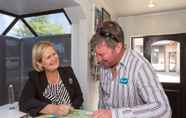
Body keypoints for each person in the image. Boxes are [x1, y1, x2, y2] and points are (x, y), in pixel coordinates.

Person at [90, 21, 171, 118]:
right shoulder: (104, 65)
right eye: (96, 54)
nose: (98, 60)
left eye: (102, 54)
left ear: (118, 47)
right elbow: (103, 102)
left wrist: (114, 114)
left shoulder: (140, 67)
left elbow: (163, 109)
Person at [19, 41, 83, 116]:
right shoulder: (35, 78)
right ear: (40, 63)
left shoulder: (68, 71)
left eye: (54, 54)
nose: (53, 59)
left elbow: (79, 97)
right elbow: (25, 102)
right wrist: (53, 109)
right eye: (48, 57)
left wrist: (70, 108)